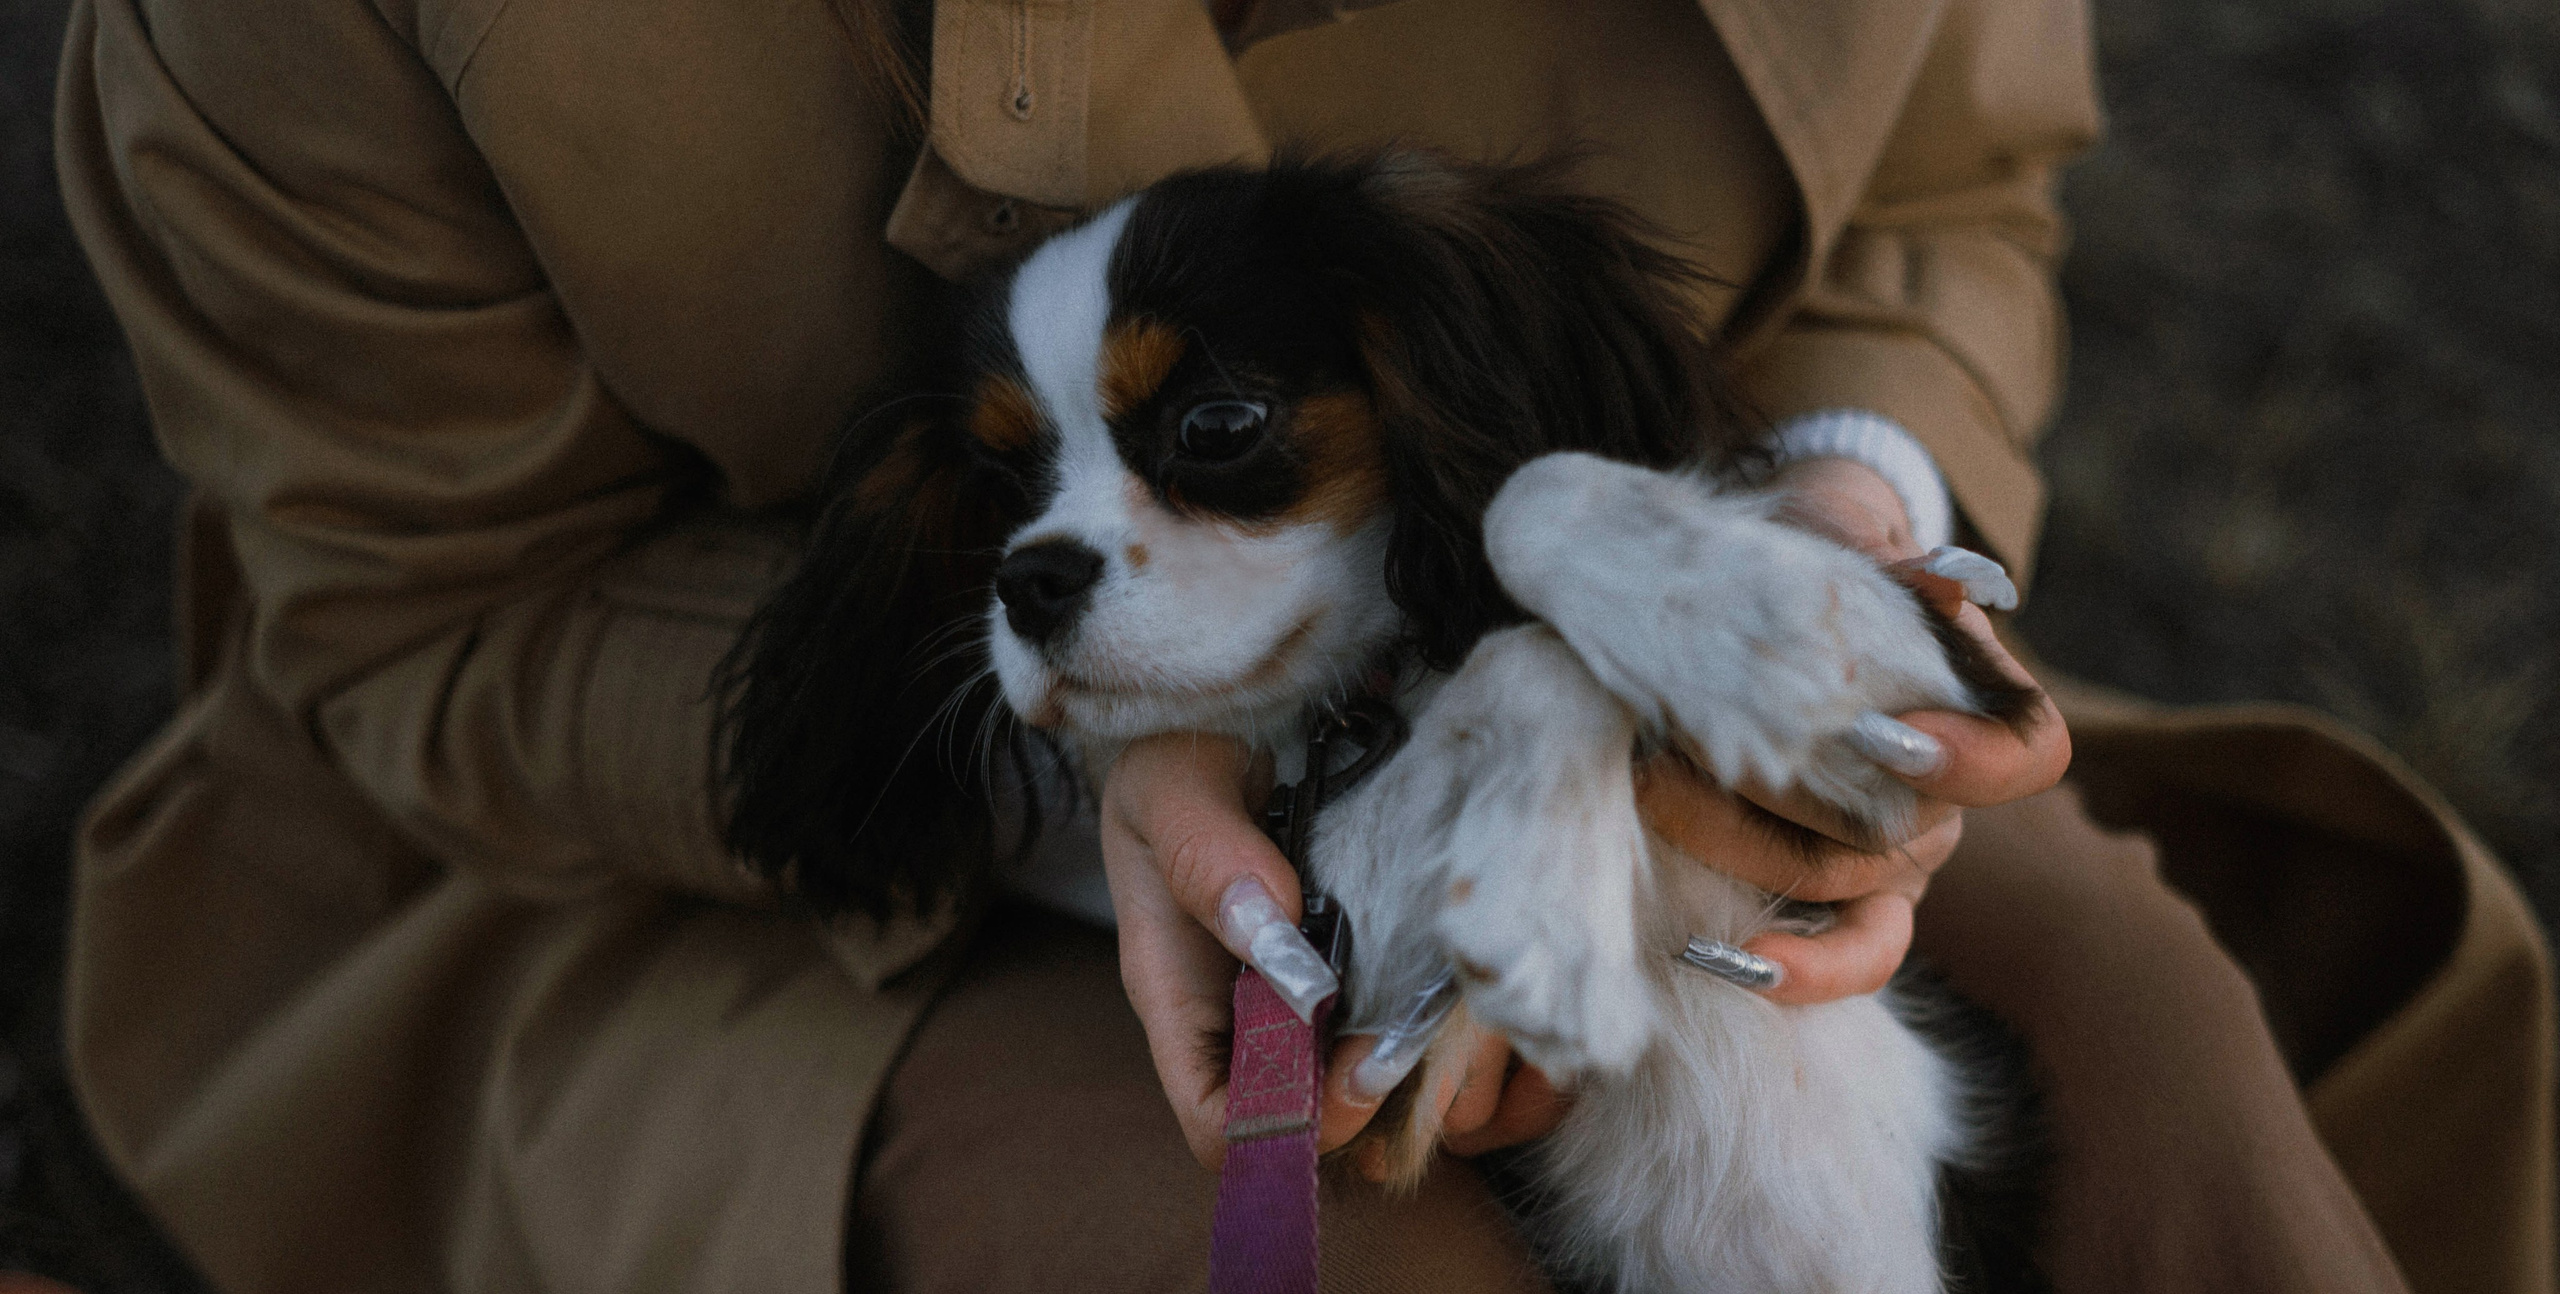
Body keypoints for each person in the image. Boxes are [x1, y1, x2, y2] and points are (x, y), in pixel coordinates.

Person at [51, 0, 2552, 1290]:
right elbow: (440, 631)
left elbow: (1951, 180)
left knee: (2171, 1086)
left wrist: (1813, 534)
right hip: (792, 867)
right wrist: (1096, 785)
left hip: (1618, 615)